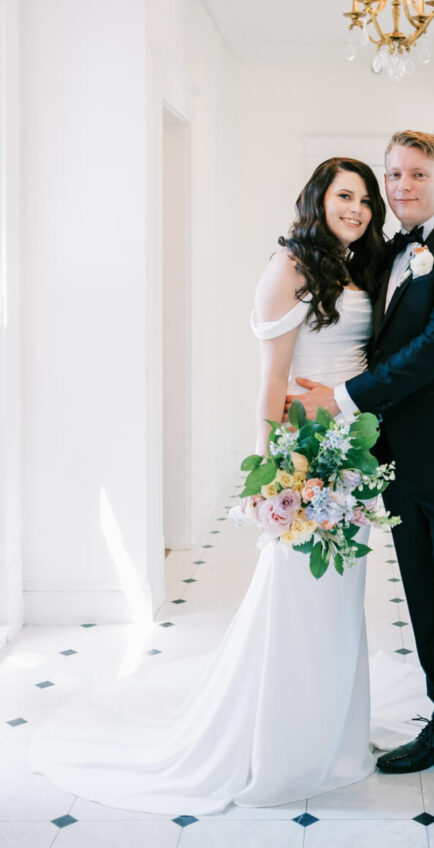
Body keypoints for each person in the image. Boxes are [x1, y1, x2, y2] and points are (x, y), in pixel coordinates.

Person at [30, 157, 390, 813]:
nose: (357, 209)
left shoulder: (355, 265)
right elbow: (271, 379)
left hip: (351, 451)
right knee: (298, 596)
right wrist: (267, 472)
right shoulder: (290, 267)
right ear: (318, 198)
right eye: (345, 195)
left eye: (365, 199)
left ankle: (336, 736)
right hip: (303, 454)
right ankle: (283, 745)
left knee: (340, 598)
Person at [288, 130, 434, 816]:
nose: (403, 186)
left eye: (417, 174)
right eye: (394, 175)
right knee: (423, 600)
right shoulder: (386, 256)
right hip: (398, 462)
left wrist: (344, 400)